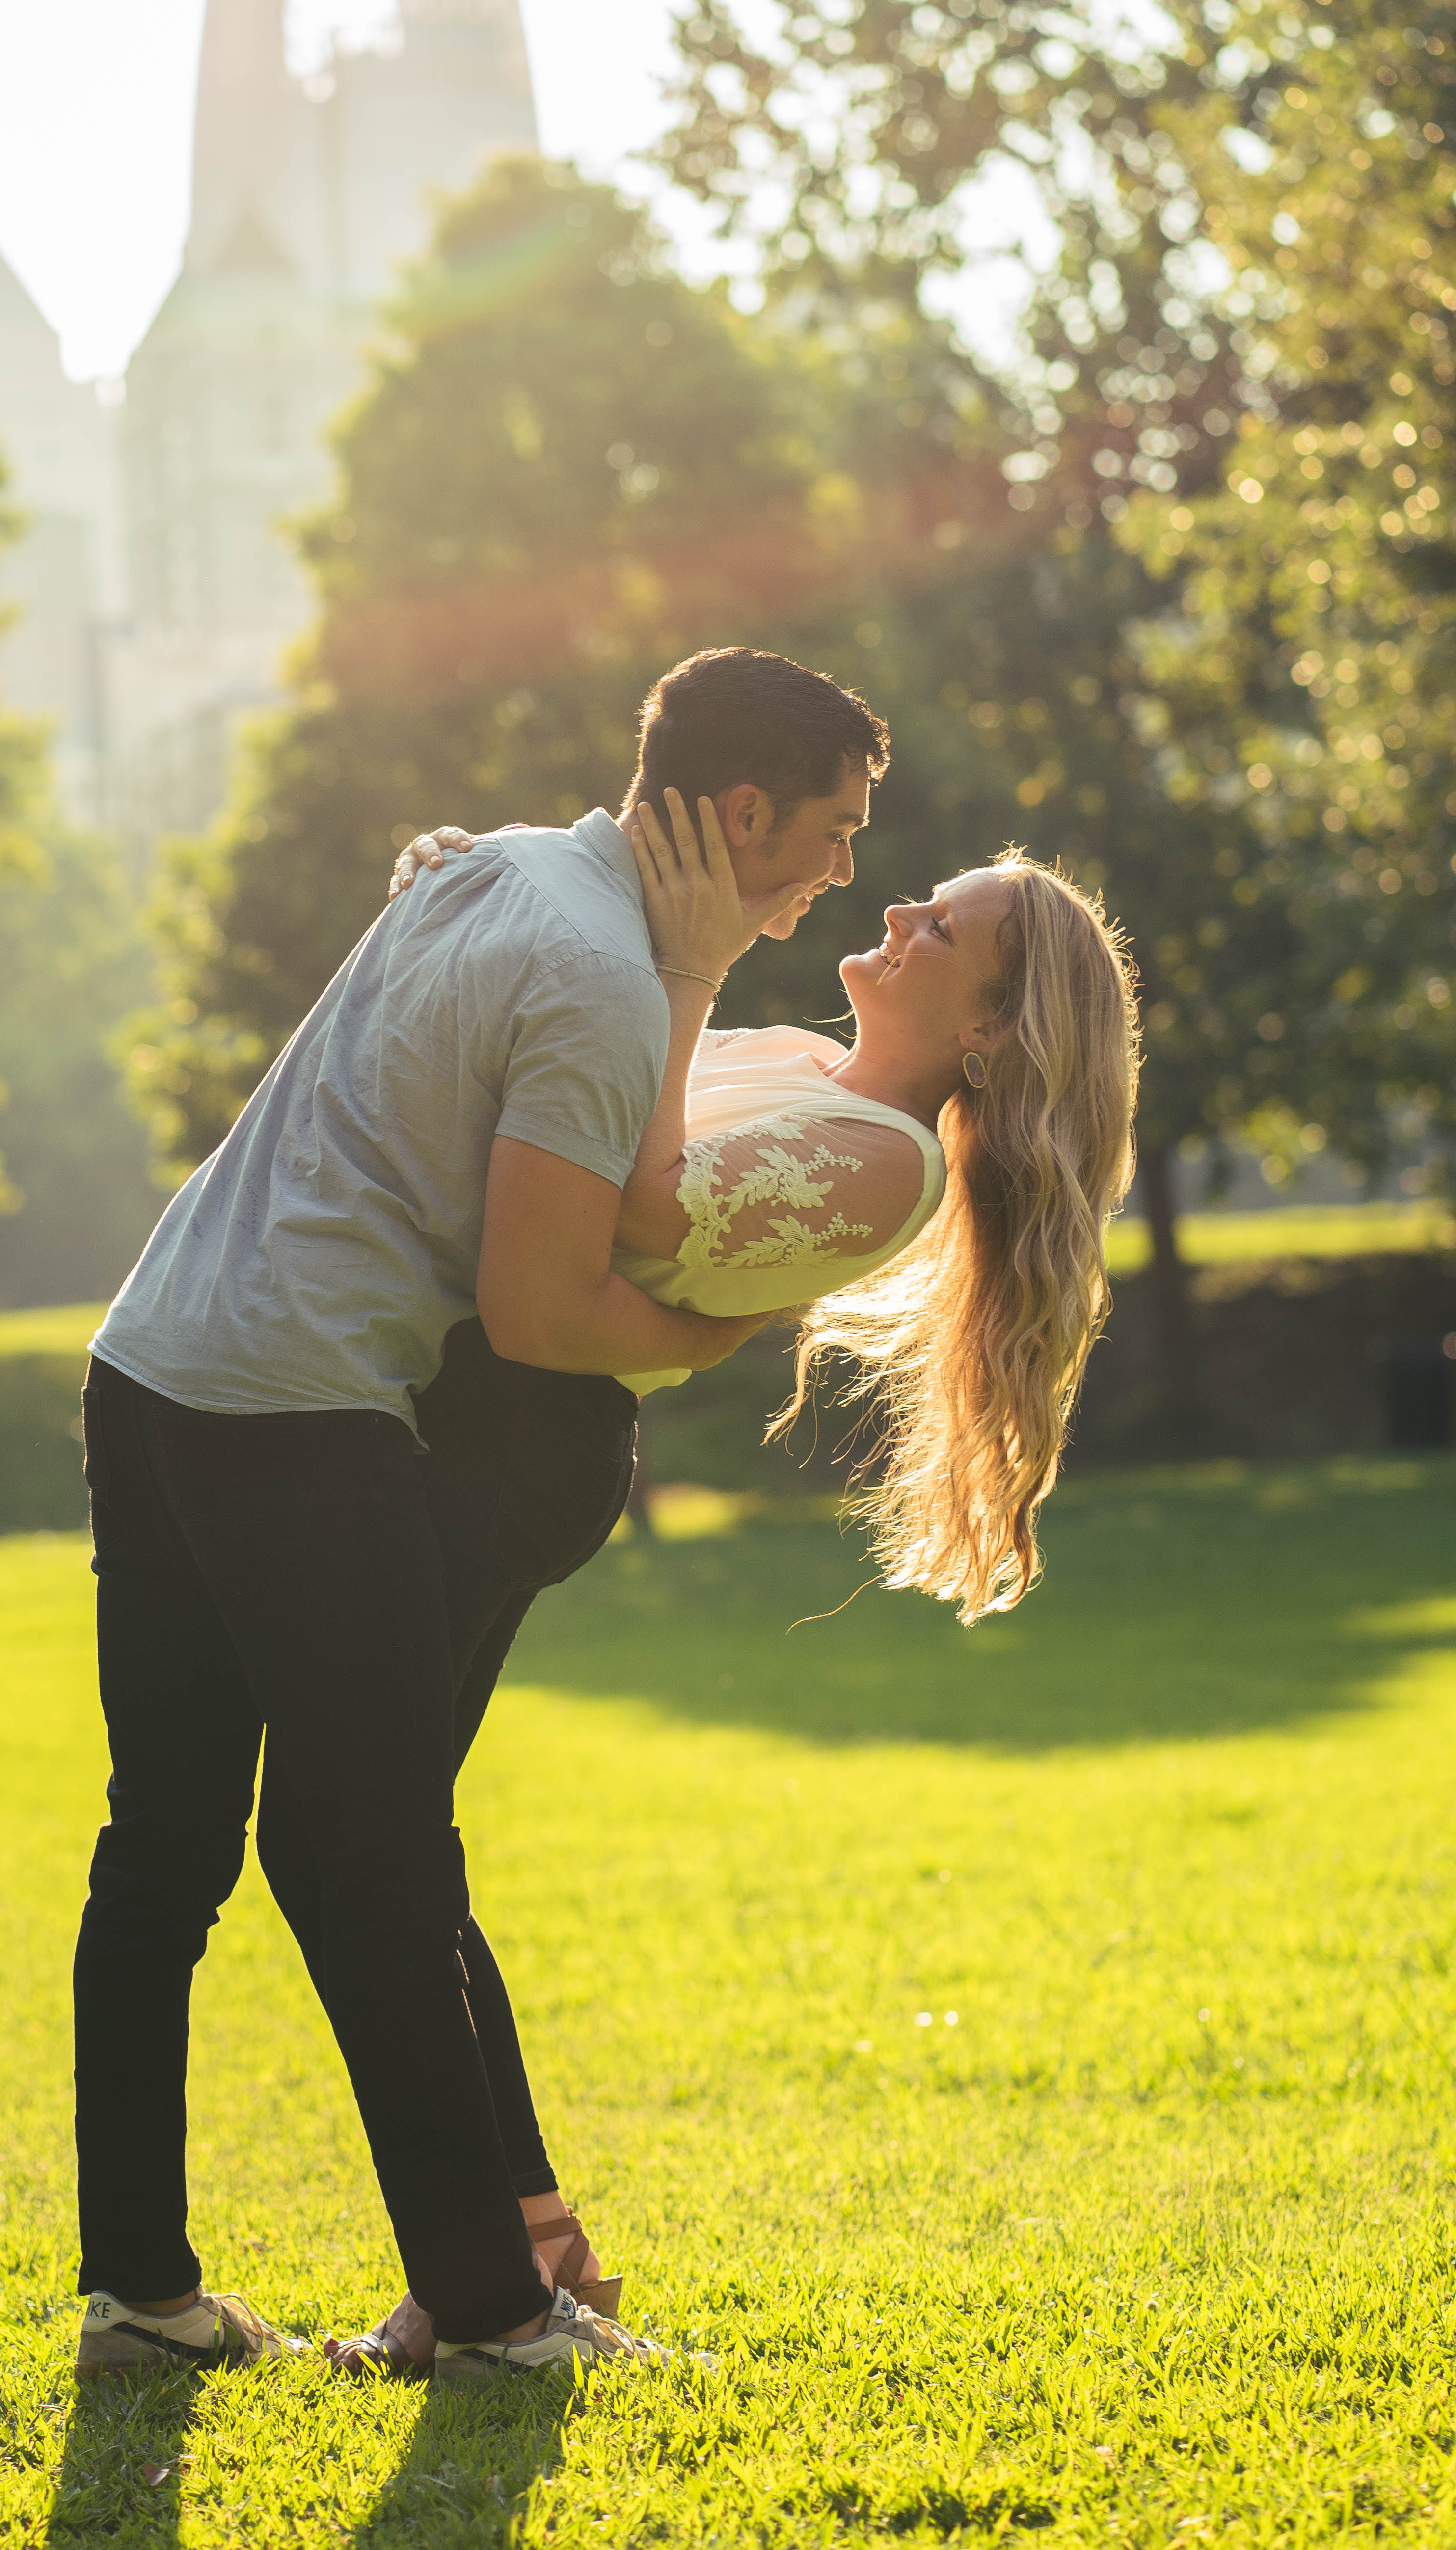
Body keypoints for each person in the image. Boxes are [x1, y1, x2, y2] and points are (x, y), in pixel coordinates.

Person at [69, 648, 889, 2388]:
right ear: (740, 813)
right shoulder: (597, 975)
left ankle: (139, 2295)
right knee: (373, 1860)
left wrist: (690, 975)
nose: (839, 874)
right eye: (829, 835)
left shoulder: (500, 864)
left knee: (165, 1852)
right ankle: (506, 2321)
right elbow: (539, 1313)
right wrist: (710, 1335)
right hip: (291, 1412)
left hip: (148, 1365)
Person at [322, 794, 1140, 2375]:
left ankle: (504, 2283)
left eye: (941, 932)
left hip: (508, 1453)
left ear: (986, 1034)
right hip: (462, 1411)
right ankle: (524, 2257)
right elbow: (560, 1078)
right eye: (918, 901)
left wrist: (684, 972)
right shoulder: (804, 1060)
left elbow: (640, 1201)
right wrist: (471, 893)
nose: (899, 919)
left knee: (372, 1843)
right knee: (386, 1841)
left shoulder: (879, 1155)